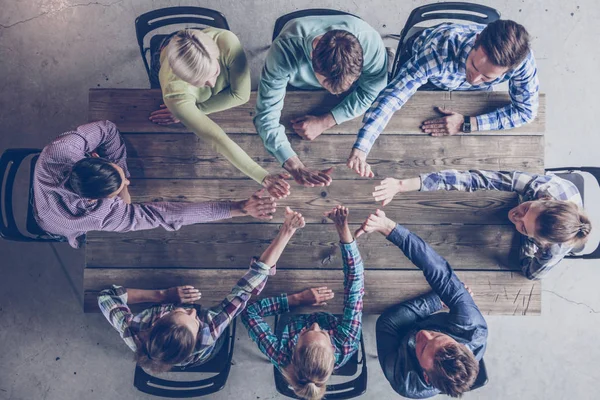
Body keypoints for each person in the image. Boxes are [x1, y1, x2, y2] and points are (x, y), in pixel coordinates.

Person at [98, 206, 306, 372]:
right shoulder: (210, 330)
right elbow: (246, 289)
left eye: (181, 311)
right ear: (198, 336)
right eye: (195, 320)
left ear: (157, 321)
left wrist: (163, 295)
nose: (194, 310)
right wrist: (287, 231)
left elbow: (107, 297)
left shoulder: (135, 331)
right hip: (205, 354)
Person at [33, 120, 279, 248]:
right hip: (51, 225)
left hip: (43, 196)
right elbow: (167, 215)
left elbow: (107, 129)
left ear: (93, 158)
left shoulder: (58, 152)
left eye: (119, 174)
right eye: (120, 186)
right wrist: (238, 208)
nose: (127, 180)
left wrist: (119, 184)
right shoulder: (98, 215)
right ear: (95, 200)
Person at [349, 19, 539, 177]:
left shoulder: (523, 62)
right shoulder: (437, 51)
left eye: (487, 77)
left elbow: (526, 111)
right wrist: (361, 149)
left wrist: (467, 123)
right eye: (474, 65)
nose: (475, 79)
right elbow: (393, 97)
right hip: (426, 64)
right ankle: (391, 59)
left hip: (461, 91)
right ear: (476, 40)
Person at [355, 209, 486, 398]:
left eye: (424, 347)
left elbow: (387, 323)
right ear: (462, 345)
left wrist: (436, 300)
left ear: (426, 376)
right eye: (437, 336)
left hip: (396, 327)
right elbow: (439, 271)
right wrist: (389, 228)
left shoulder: (402, 378)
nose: (424, 334)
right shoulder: (472, 326)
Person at [148, 28, 290, 198]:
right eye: (198, 82)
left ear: (217, 54)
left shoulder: (227, 41)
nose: (211, 83)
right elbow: (217, 138)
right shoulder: (174, 95)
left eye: (214, 72)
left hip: (190, 42)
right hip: (166, 56)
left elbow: (241, 95)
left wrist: (195, 111)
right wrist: (263, 176)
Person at [372, 170, 592, 280]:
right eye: (525, 209)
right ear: (544, 200)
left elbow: (531, 272)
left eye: (524, 228)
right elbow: (474, 178)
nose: (515, 216)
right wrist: (402, 185)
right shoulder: (540, 186)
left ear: (541, 242)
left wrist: (527, 242)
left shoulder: (552, 249)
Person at [241, 205, 364, 400]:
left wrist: (297, 299)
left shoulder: (282, 356)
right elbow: (355, 283)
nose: (314, 324)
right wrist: (342, 228)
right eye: (322, 332)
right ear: (333, 351)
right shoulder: (346, 342)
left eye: (306, 332)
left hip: (292, 298)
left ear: (293, 352)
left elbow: (248, 313)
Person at [255, 15, 388, 187]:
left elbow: (371, 92)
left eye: (350, 82)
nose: (339, 93)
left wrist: (325, 121)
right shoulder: (284, 49)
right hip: (296, 87)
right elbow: (266, 116)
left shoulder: (371, 42)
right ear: (311, 56)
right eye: (327, 83)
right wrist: (295, 166)